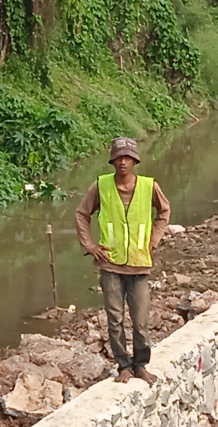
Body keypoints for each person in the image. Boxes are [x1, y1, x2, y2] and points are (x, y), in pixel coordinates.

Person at [75, 136, 171, 384]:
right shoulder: (101, 186)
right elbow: (82, 214)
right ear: (112, 161)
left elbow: (164, 212)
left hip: (139, 265)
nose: (123, 162)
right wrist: (90, 246)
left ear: (135, 160)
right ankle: (123, 366)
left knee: (140, 322)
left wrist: (154, 239)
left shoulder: (149, 187)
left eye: (127, 157)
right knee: (115, 319)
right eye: (118, 157)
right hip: (110, 265)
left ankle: (141, 365)